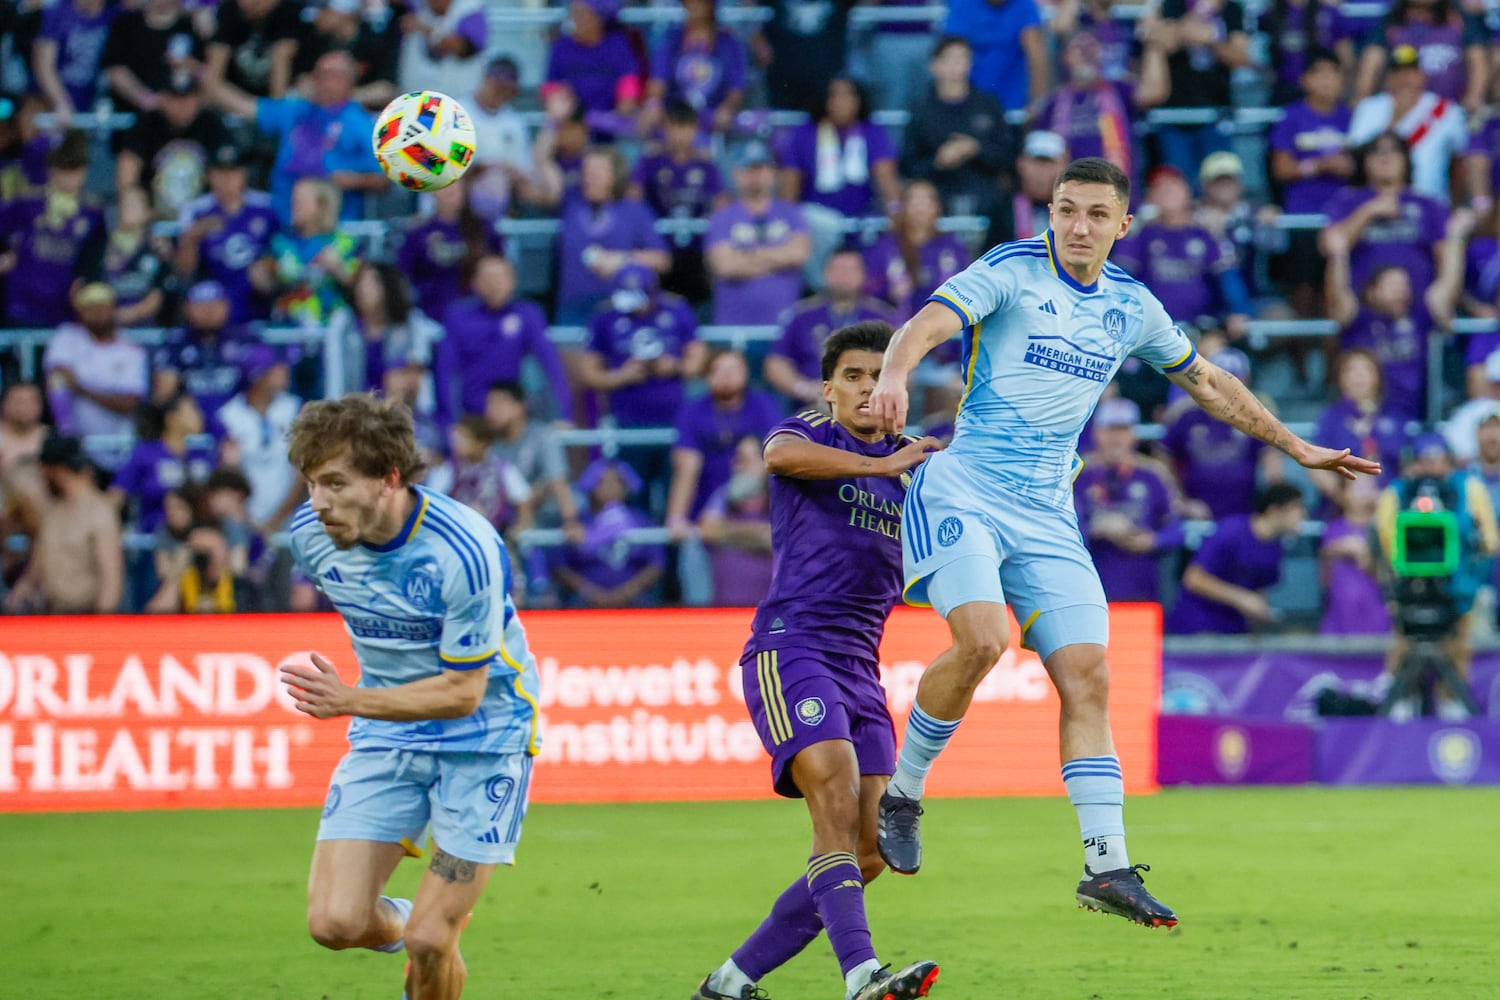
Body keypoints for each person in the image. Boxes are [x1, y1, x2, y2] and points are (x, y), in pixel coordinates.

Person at [864, 157, 1379, 925]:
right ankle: (903, 795)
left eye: (1096, 214)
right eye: (1066, 209)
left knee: (1090, 678)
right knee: (982, 641)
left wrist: (1294, 445)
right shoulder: (1011, 268)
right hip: (965, 488)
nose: (1078, 226)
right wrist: (897, 371)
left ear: (1122, 225)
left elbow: (1206, 381)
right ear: (1050, 211)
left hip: (1046, 513)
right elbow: (929, 322)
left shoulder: (1132, 306)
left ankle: (1105, 866)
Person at [691, 320, 942, 1000]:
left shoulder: (914, 473)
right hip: (791, 647)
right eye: (852, 377)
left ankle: (729, 982)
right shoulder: (809, 434)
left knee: (869, 852)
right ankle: (864, 977)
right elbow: (778, 459)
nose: (866, 388)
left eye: (878, 376)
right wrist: (882, 464)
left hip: (863, 669)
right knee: (830, 802)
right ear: (830, 389)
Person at [278, 393, 542, 1000]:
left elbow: (463, 692)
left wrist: (347, 701)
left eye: (336, 483)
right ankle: (407, 919)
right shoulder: (309, 536)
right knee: (335, 924)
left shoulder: (464, 550)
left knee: (432, 940)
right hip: (389, 732)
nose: (319, 503)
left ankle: (428, 927)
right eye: (312, 483)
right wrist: (362, 701)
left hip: (486, 736)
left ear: (388, 479)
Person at [1374, 432, 1499, 718]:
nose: (1430, 468)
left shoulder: (1469, 488)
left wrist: (1470, 577)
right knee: (1403, 647)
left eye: (1437, 460)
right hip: (1411, 589)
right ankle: (1402, 703)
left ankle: (1453, 706)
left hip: (1459, 590)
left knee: (1457, 651)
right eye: (1421, 461)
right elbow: (1385, 540)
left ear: (1450, 461)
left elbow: (1490, 541)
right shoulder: (1398, 492)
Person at [1322, 203, 1470, 423]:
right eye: (1392, 286)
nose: (1401, 291)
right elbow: (1338, 299)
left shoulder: (1419, 315)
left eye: (1404, 286)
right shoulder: (1358, 318)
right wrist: (1339, 256)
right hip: (1358, 420)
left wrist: (1455, 238)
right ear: (1372, 292)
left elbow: (1447, 288)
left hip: (1412, 419)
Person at [208, 49, 385, 224]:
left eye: (332, 75)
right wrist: (205, 79)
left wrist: (352, 180)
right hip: (281, 224)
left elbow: (383, 180)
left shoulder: (361, 123)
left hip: (333, 229)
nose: (322, 82)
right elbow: (243, 107)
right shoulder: (295, 109)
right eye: (319, 74)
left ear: (349, 82)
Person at [1267, 48, 1353, 318]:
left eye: (1333, 74)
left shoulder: (1352, 117)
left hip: (1342, 217)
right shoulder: (1292, 117)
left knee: (1334, 293)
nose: (1327, 81)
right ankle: (1302, 360)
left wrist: (1350, 167)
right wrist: (1319, 165)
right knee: (1303, 293)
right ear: (1305, 80)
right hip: (1301, 216)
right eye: (1320, 74)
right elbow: (1280, 168)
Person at [434, 256, 570, 425]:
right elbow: (446, 372)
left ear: (513, 281)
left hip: (516, 418)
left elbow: (550, 365)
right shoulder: (457, 316)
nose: (495, 284)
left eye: (500, 277)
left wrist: (563, 415)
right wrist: (450, 422)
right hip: (472, 418)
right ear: (474, 283)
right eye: (488, 278)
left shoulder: (528, 314)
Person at [1073, 397, 1183, 603]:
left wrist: (1152, 540)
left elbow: (1178, 528)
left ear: (1134, 434)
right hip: (1088, 584)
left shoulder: (1153, 474)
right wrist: (1093, 528)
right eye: (1109, 430)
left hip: (1141, 586)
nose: (1116, 438)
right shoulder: (1078, 473)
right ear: (1097, 433)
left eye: (1123, 430)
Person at [1165, 482, 1308, 635]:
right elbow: (1194, 579)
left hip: (1235, 632)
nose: (1303, 514)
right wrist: (1241, 599)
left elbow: (1258, 592)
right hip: (1197, 629)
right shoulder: (1231, 531)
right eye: (1296, 507)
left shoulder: (1275, 549)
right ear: (1273, 510)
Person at [3, 434, 122, 614]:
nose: (40, 478)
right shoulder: (53, 511)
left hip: (85, 615)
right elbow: (41, 560)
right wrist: (24, 587)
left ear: (55, 470)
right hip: (53, 613)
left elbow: (110, 579)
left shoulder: (98, 513)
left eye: (42, 471)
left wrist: (101, 625)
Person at [898, 37, 1009, 226]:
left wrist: (975, 148)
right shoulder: (920, 111)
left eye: (964, 58)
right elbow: (908, 166)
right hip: (936, 201)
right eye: (950, 58)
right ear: (934, 65)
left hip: (986, 200)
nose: (958, 65)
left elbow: (1007, 156)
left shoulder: (989, 105)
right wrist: (938, 161)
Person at [0, 131, 105, 328]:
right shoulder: (29, 203)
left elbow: (94, 259)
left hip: (68, 310)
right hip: (24, 303)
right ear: (51, 170)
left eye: (74, 169)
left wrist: (84, 284)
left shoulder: (93, 212)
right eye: (62, 168)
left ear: (84, 170)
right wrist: (5, 255)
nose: (68, 176)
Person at [766, 250, 897, 406]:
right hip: (812, 406)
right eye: (838, 269)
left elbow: (904, 366)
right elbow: (776, 363)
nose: (844, 276)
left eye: (850, 270)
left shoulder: (882, 317)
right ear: (825, 274)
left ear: (863, 275)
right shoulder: (801, 316)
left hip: (869, 405)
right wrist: (803, 388)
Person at [554, 146, 669, 323]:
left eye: (597, 171)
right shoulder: (571, 204)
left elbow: (662, 260)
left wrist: (621, 259)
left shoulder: (635, 210)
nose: (588, 177)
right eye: (586, 171)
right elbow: (542, 170)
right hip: (574, 306)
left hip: (621, 306)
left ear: (615, 175)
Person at [705, 140, 811, 327]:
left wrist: (749, 254)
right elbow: (725, 266)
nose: (756, 175)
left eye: (761, 168)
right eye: (749, 169)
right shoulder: (722, 217)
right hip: (734, 329)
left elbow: (799, 254)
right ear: (737, 174)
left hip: (784, 327)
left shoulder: (790, 213)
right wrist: (779, 259)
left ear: (772, 172)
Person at [1149, 0, 1252, 190]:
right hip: (1174, 116)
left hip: (1216, 114)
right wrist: (1189, 23)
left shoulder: (1231, 8)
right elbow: (1161, 44)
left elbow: (1241, 58)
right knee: (1180, 186)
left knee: (1219, 186)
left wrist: (1212, 39)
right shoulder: (1171, 5)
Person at [174, 144, 281, 325]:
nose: (227, 180)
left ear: (244, 174)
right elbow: (184, 272)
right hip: (212, 308)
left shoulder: (266, 208)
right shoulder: (195, 211)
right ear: (209, 176)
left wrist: (268, 273)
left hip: (258, 306)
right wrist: (192, 237)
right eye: (220, 173)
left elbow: (283, 253)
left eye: (233, 173)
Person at [1347, 44, 1468, 201]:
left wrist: (1453, 205)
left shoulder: (1448, 111)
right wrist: (1397, 116)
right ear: (1389, 77)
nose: (1405, 79)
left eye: (1411, 72)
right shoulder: (1369, 107)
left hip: (1429, 203)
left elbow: (1459, 164)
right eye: (1399, 73)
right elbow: (1357, 157)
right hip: (1376, 203)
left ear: (1422, 75)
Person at [42, 283, 147, 442]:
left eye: (103, 307)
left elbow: (128, 403)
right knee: (57, 381)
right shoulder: (67, 336)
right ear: (81, 311)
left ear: (113, 309)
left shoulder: (131, 349)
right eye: (91, 307)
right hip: (76, 438)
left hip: (117, 440)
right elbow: (59, 375)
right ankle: (66, 433)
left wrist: (81, 389)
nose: (98, 312)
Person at [115, 74, 231, 217]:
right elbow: (127, 169)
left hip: (203, 214)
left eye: (186, 98)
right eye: (174, 98)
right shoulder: (147, 124)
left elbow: (229, 170)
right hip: (153, 214)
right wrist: (130, 194)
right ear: (162, 99)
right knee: (129, 210)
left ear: (199, 99)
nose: (181, 106)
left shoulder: (211, 124)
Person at [152, 280, 256, 431]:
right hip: (189, 423)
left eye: (214, 305)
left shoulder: (244, 339)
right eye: (201, 306)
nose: (209, 311)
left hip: (240, 422)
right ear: (187, 308)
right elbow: (162, 394)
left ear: (226, 306)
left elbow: (260, 386)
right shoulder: (175, 343)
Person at [394, 178, 504, 314]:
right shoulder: (418, 232)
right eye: (444, 187)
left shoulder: (484, 228)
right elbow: (402, 274)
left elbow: (500, 266)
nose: (450, 191)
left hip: (477, 313)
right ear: (432, 192)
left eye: (455, 186)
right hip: (429, 313)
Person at [863, 181, 970, 320]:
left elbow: (967, 291)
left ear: (937, 207)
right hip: (893, 325)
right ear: (903, 207)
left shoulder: (953, 248)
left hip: (943, 328)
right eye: (914, 201)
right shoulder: (885, 247)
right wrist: (888, 292)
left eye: (927, 201)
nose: (921, 208)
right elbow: (867, 291)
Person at [643, 0, 747, 135]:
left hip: (714, 116)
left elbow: (737, 87)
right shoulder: (671, 41)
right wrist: (653, 104)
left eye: (698, 3)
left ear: (711, 7)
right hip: (676, 116)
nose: (693, 7)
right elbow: (657, 81)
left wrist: (728, 107)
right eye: (688, 3)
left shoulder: (729, 45)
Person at [698, 435, 775, 608]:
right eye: (736, 459)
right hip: (725, 611)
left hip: (769, 611)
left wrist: (727, 534)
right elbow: (707, 531)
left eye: (744, 460)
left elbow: (776, 539)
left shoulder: (780, 498)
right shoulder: (724, 495)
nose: (736, 466)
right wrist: (757, 535)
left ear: (766, 464)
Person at [397, 0, 489, 103]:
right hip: (414, 101)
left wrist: (428, 31)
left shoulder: (469, 9)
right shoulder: (418, 5)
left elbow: (465, 48)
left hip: (458, 104)